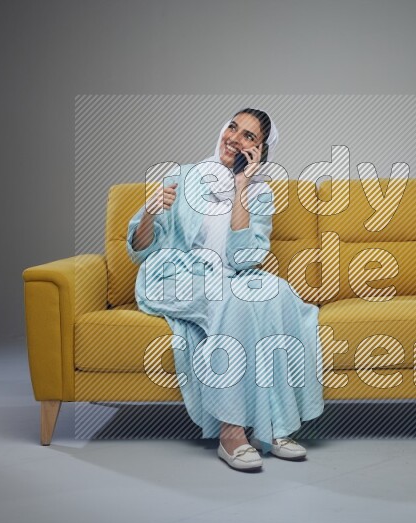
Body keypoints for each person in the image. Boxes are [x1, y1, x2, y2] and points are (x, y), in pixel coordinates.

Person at [125, 108, 324, 472]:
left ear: (260, 151)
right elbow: (139, 251)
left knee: (278, 293)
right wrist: (150, 213)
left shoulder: (259, 193)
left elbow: (243, 258)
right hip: (173, 275)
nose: (235, 138)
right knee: (231, 301)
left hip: (229, 277)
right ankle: (231, 433)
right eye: (233, 127)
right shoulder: (184, 177)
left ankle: (276, 426)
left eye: (249, 136)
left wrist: (241, 186)